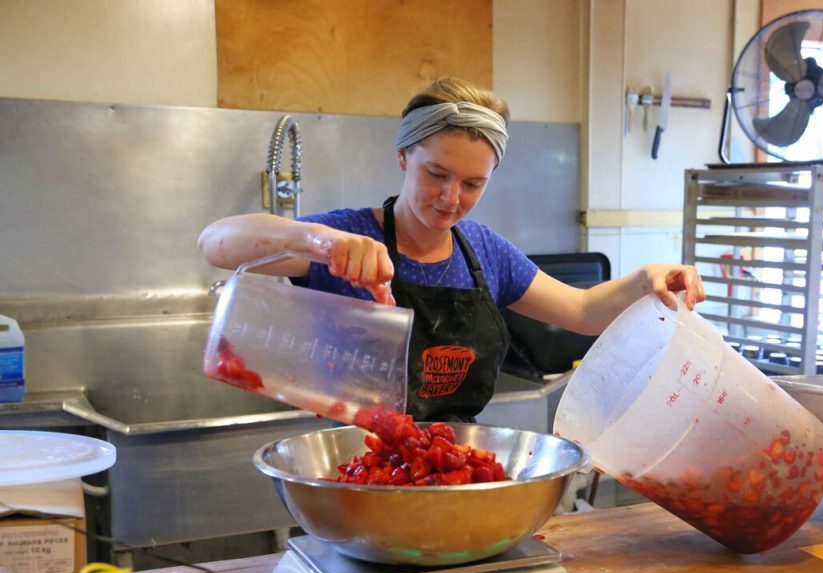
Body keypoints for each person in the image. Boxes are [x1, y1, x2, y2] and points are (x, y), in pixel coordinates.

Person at [198, 77, 706, 422]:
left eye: (472, 184)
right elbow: (216, 244)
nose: (450, 198)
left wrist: (646, 281)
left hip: (450, 464)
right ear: (403, 157)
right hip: (353, 466)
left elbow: (583, 310)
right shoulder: (345, 238)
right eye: (436, 175)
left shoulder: (485, 253)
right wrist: (315, 240)